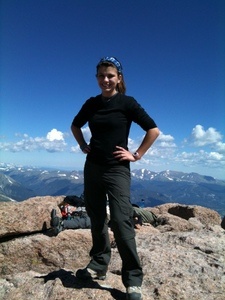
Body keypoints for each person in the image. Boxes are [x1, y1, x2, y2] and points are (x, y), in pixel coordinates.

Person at [71, 56, 159, 300]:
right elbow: (75, 125)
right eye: (101, 75)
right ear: (97, 78)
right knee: (97, 217)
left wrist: (137, 155)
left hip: (117, 170)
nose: (105, 80)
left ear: (119, 78)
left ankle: (133, 279)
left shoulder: (127, 103)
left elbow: (153, 130)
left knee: (121, 222)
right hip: (93, 167)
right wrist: (82, 145)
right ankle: (99, 264)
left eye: (110, 75)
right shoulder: (91, 103)